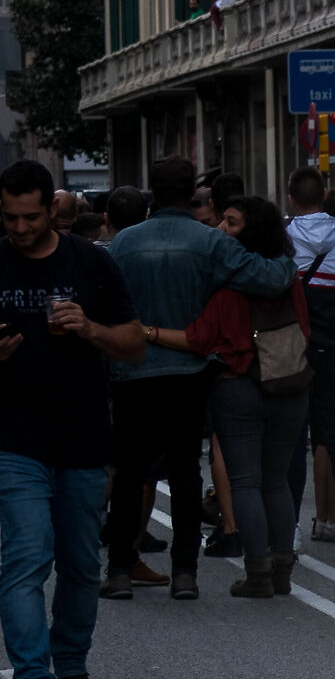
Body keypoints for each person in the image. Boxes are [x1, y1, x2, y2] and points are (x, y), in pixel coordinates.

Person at [0, 158, 145, 679]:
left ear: (52, 209)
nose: (20, 228)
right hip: (15, 438)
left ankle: (72, 665)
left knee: (82, 563)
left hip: (84, 438)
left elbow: (133, 344)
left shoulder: (91, 263)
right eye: (9, 217)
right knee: (27, 557)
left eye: (30, 217)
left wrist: (90, 329)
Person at [101, 156, 293, 602]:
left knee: (130, 472)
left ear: (152, 191)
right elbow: (271, 279)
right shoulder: (209, 242)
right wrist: (284, 249)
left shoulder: (124, 243)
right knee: (185, 470)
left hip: (132, 370)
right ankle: (184, 572)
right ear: (190, 194)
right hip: (190, 371)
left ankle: (118, 569)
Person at [146, 194, 309, 599]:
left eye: (230, 223)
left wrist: (146, 332)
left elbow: (200, 338)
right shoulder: (288, 276)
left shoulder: (226, 286)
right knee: (277, 482)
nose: (220, 229)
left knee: (246, 484)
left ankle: (257, 573)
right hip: (290, 383)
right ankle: (283, 568)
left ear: (249, 232)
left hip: (238, 385)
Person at [286, 166, 335, 540]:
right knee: (327, 432)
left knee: (289, 431)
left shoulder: (283, 239)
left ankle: (290, 524)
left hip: (291, 348)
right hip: (331, 347)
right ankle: (327, 518)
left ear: (291, 199)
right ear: (324, 193)